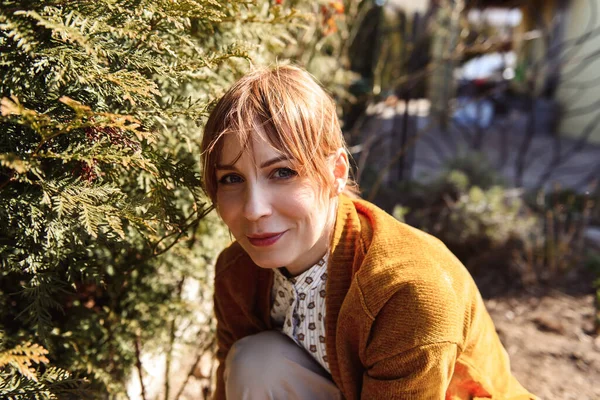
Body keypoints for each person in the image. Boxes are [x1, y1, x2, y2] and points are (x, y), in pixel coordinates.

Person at [200, 65, 536, 400]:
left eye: (282, 172)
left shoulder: (408, 292)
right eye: (231, 178)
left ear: (337, 174)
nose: (253, 209)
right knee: (256, 363)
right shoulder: (237, 273)